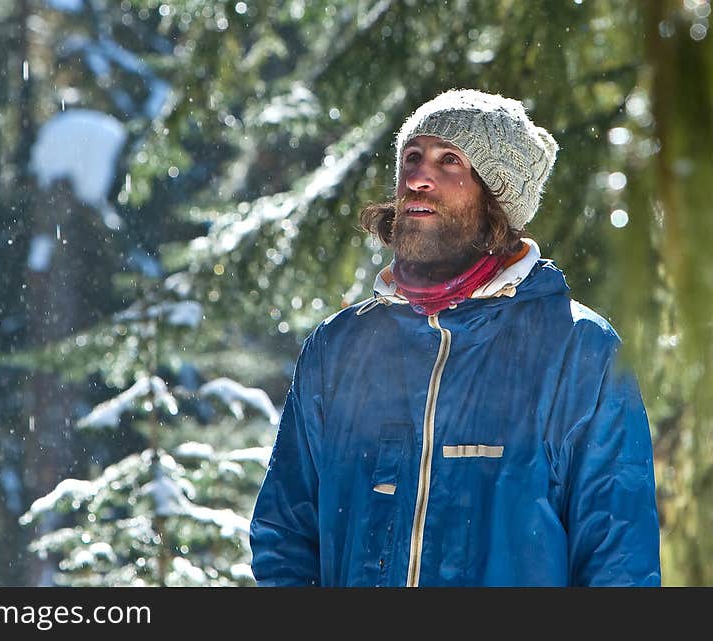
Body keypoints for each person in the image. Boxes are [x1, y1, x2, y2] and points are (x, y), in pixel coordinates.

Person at [249, 89, 661, 587]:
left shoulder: (579, 350)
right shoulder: (339, 346)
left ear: (497, 197)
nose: (418, 178)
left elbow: (619, 561)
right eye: (412, 157)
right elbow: (285, 533)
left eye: (450, 161)